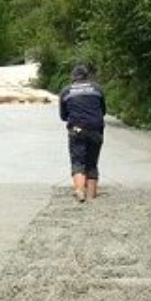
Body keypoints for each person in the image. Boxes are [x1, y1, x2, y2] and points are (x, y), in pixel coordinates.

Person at [59, 64, 107, 203]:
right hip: (95, 129)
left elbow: (63, 116)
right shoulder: (97, 89)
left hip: (76, 129)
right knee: (92, 163)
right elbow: (103, 111)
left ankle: (79, 191)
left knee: (78, 161)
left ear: (73, 78)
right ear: (88, 76)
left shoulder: (66, 91)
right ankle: (91, 195)